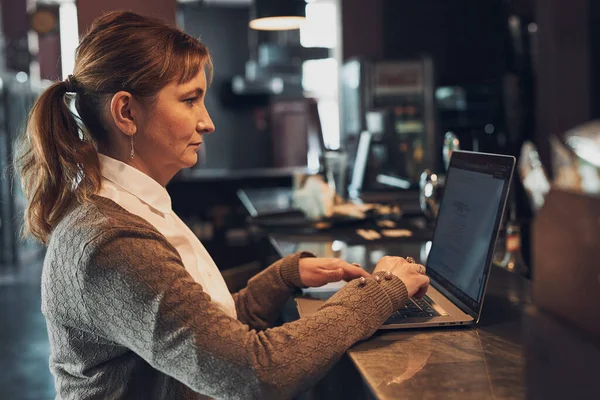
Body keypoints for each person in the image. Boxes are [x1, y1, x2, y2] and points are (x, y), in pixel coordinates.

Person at [15, 11, 430, 400]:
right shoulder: (110, 239)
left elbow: (202, 337)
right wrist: (381, 294)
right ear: (126, 112)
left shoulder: (128, 206)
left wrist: (281, 278)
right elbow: (251, 371)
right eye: (190, 99)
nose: (207, 121)